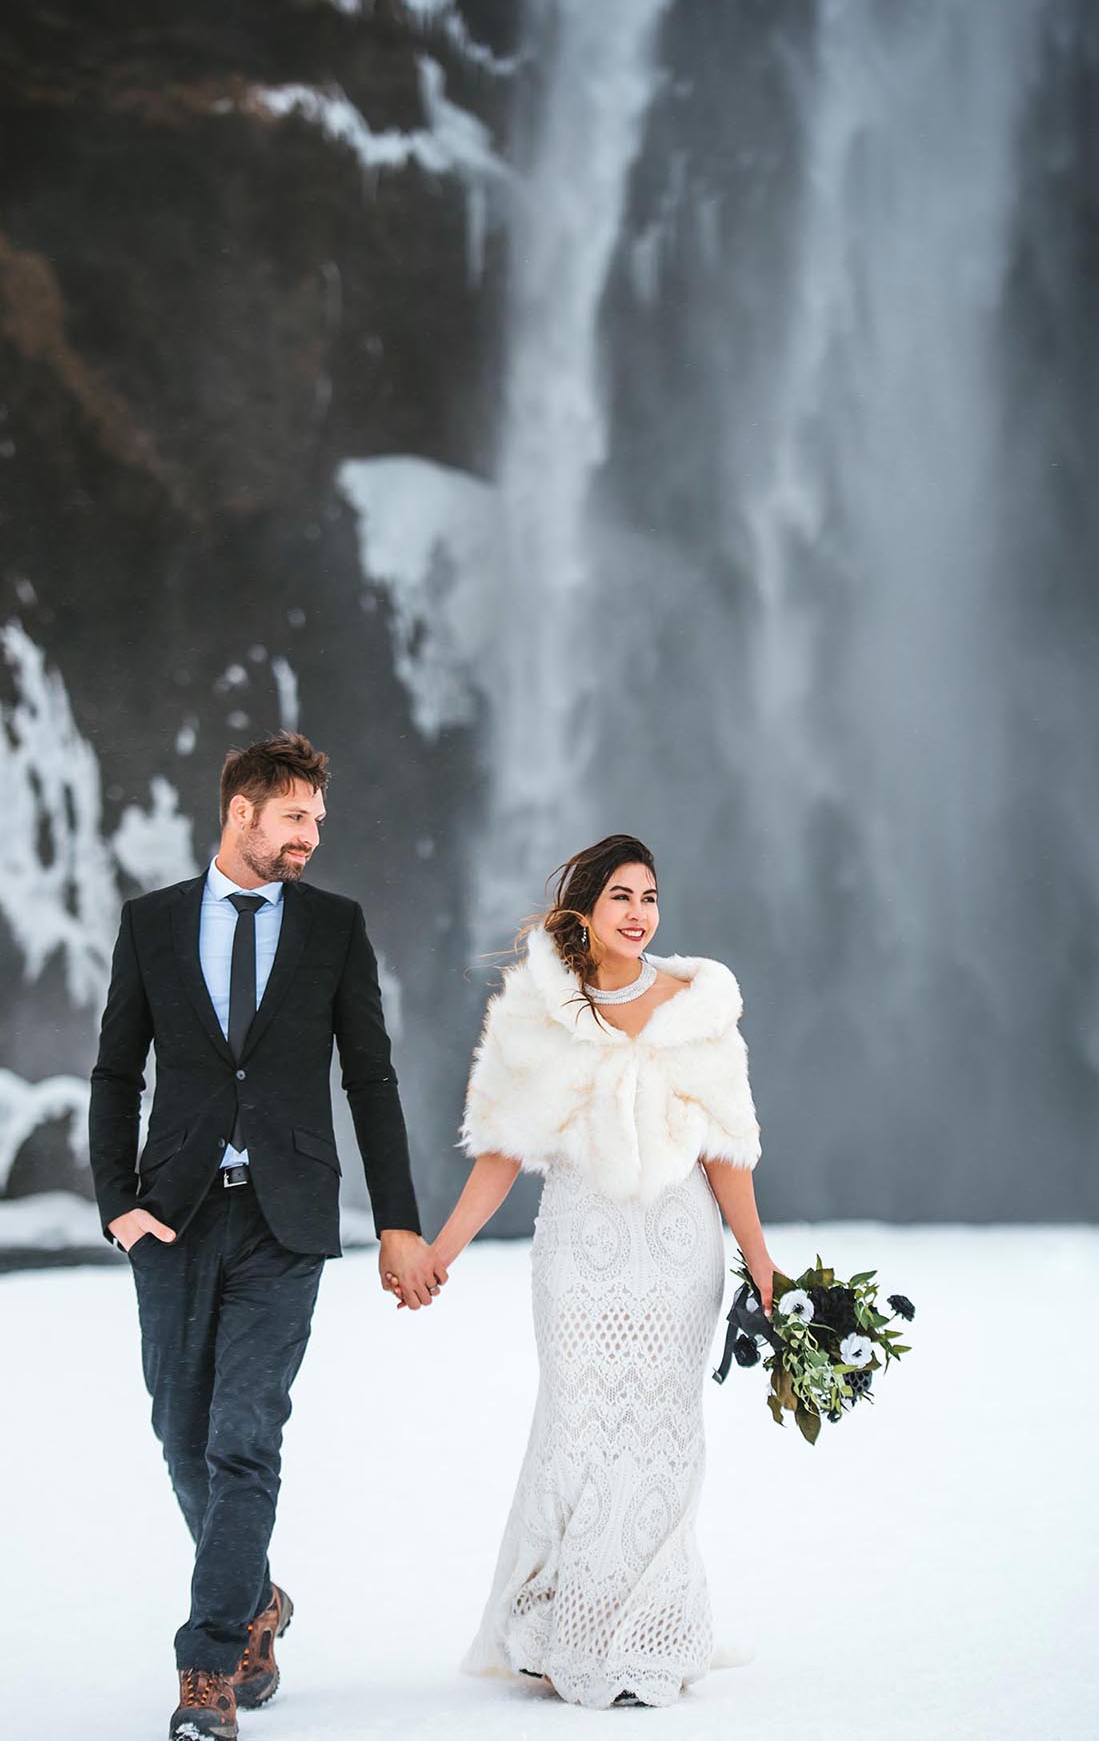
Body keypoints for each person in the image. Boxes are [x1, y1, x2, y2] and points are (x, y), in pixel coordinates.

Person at [89, 732, 444, 1741]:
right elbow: (116, 1073)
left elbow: (368, 1079)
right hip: (175, 1214)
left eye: (318, 820)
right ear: (243, 810)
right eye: (296, 817)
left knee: (245, 1439)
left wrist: (397, 1219)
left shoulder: (334, 927)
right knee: (179, 1431)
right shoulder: (152, 924)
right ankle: (257, 1600)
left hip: (288, 1219)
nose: (311, 837)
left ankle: (207, 1669)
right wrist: (118, 1200)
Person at [423, 834, 780, 1710]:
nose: (638, 913)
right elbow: (501, 1150)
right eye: (620, 895)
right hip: (579, 1250)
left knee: (662, 1432)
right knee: (578, 1429)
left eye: (650, 896)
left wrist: (762, 1264)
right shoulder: (536, 1010)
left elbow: (728, 1154)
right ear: (583, 911)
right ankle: (561, 1632)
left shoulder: (697, 1007)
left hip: (674, 1253)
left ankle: (653, 1628)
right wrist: (441, 1252)